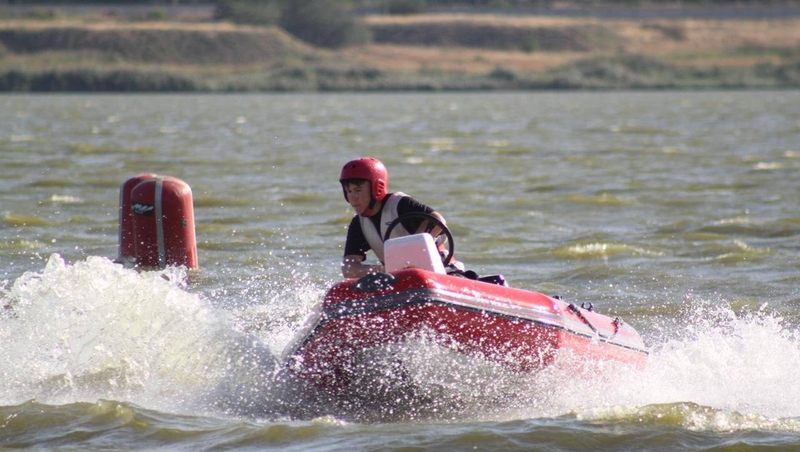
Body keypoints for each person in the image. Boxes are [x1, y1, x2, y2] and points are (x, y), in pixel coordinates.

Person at [339, 157, 455, 279]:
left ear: (376, 188)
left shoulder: (400, 204)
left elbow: (437, 220)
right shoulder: (358, 224)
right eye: (349, 191)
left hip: (444, 271)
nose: (353, 198)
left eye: (358, 190)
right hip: (399, 279)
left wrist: (411, 252)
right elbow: (349, 269)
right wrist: (385, 269)